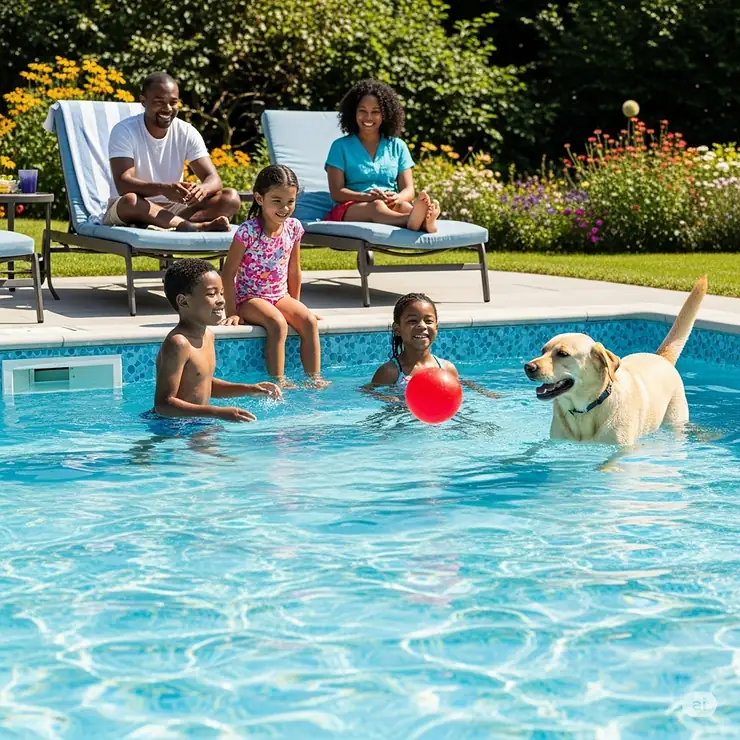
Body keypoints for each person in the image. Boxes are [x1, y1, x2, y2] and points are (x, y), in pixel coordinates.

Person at [221, 165, 329, 388]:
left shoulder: (294, 228)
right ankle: (278, 380)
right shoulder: (248, 231)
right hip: (250, 299)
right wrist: (231, 312)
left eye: (290, 201)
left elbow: (294, 269)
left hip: (279, 296)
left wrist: (296, 307)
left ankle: (314, 378)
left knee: (308, 321)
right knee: (277, 323)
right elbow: (228, 272)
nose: (284, 208)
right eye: (276, 201)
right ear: (260, 199)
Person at [105, 71, 241, 232]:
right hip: (135, 206)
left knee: (230, 198)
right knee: (130, 201)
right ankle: (192, 226)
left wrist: (202, 189)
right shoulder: (124, 131)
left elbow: (213, 178)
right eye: (159, 102)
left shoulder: (186, 131)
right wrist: (164, 189)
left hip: (176, 209)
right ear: (143, 101)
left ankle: (175, 225)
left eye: (173, 102)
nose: (167, 108)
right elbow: (123, 184)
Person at [153, 259, 281, 421]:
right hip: (171, 427)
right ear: (183, 301)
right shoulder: (179, 343)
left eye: (221, 292)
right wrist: (217, 412)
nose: (221, 300)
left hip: (196, 422)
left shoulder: (208, 336)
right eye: (211, 294)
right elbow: (163, 405)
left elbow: (202, 384)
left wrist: (249, 389)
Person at [325, 79, 440, 232]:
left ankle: (423, 221)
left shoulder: (398, 146)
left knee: (403, 205)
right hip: (352, 207)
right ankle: (413, 220)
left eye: (375, 112)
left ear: (385, 114)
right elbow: (336, 193)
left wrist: (397, 198)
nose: (368, 118)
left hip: (389, 203)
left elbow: (408, 190)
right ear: (354, 112)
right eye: (362, 111)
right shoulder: (339, 146)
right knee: (377, 206)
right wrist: (367, 197)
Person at [369, 292, 500, 398]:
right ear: (397, 329)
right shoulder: (391, 372)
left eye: (428, 321)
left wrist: (482, 391)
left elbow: (457, 388)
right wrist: (388, 398)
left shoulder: (447, 368)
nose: (422, 326)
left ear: (436, 327)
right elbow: (368, 391)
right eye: (412, 321)